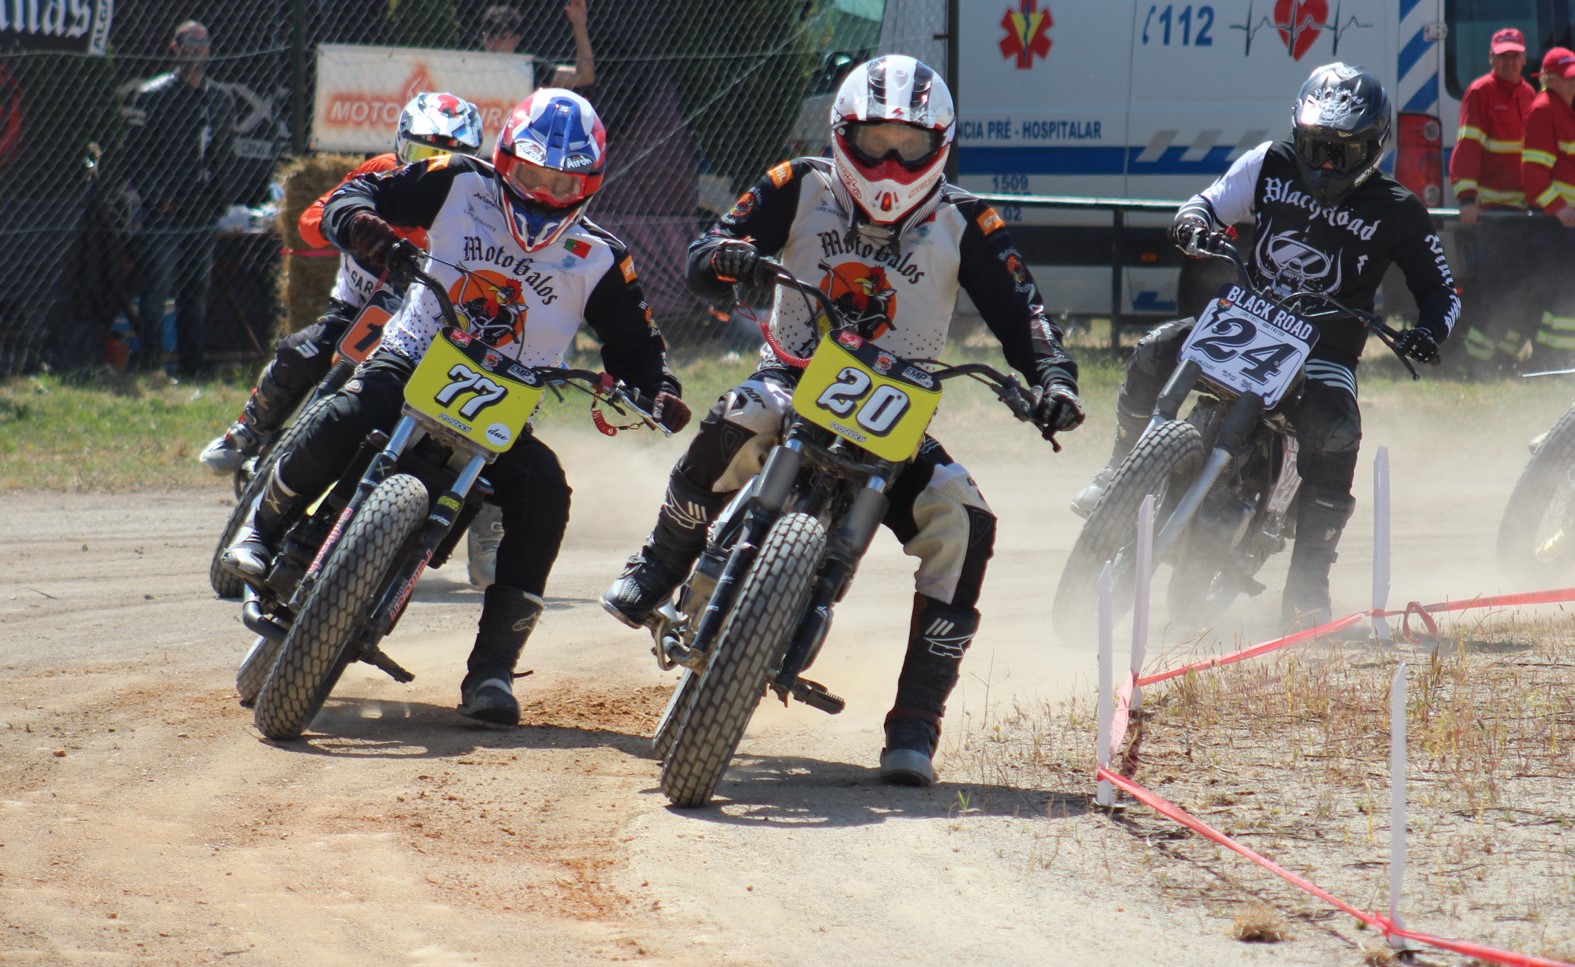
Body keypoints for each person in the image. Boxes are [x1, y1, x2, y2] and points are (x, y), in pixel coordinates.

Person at [599, 55, 1087, 787]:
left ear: (941, 145)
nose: (890, 163)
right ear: (840, 134)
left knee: (966, 520)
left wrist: (1053, 379)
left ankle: (916, 721)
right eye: (874, 142)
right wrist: (728, 257)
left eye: (910, 145)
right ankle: (660, 562)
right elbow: (706, 252)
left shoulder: (966, 220)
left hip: (895, 411)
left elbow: (1027, 316)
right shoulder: (797, 182)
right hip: (792, 376)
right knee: (740, 413)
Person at [220, 89, 692, 726]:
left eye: (562, 183)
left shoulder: (602, 257)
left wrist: (657, 390)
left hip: (503, 407)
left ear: (588, 184)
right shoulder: (458, 181)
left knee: (546, 493)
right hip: (413, 357)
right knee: (350, 408)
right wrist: (361, 225)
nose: (543, 195)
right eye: (532, 175)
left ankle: (492, 668)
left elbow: (639, 347)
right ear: (506, 160)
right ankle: (260, 528)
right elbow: (357, 194)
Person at [1071, 63, 1459, 632]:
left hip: (1326, 349)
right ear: (1296, 135)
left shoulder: (1399, 208)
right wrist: (1193, 222)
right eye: (1316, 148)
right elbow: (1208, 202)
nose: (1326, 165)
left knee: (1337, 429)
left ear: (1374, 147)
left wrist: (1428, 331)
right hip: (1247, 319)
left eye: (1343, 153)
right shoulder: (1268, 162)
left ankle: (1307, 587)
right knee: (1155, 349)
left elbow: (1442, 291)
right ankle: (1117, 473)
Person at [196, 92, 504, 588]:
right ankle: (248, 430)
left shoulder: (476, 203)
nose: (432, 168)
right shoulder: (380, 174)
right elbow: (309, 220)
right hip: (359, 309)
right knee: (302, 350)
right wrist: (357, 228)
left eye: (447, 158)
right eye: (423, 154)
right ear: (401, 147)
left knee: (478, 420)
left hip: (427, 329)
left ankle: (486, 534)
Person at [122, 19, 236, 378]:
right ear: (175, 48)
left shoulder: (220, 98)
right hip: (166, 211)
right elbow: (134, 155)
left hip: (203, 210)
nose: (197, 51)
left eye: (203, 44)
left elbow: (226, 153)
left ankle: (191, 367)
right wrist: (157, 198)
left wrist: (221, 200)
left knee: (196, 291)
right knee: (157, 289)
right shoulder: (153, 94)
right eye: (190, 44)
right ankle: (152, 364)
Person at [1448, 27, 1535, 373]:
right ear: (1491, 59)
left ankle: (1505, 357)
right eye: (1503, 56)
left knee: (1523, 289)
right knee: (1496, 291)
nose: (1509, 62)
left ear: (1524, 58)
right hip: (1493, 214)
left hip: (1525, 212)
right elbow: (1468, 148)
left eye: (1515, 55)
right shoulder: (1480, 92)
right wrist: (1467, 199)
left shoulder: (1529, 94)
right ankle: (1474, 363)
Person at [1520, 46, 1575, 369]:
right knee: (1562, 291)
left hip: (1564, 220)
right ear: (1549, 79)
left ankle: (1557, 360)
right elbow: (1533, 172)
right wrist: (1558, 207)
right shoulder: (1544, 110)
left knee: (1565, 292)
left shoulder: (1563, 109)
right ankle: (1552, 361)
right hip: (1554, 223)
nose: (1573, 83)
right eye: (1568, 78)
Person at [480, 1, 595, 90]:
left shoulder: (529, 67)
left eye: (503, 38)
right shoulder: (472, 64)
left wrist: (579, 25)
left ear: (516, 39)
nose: (496, 44)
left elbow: (584, 77)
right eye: (490, 37)